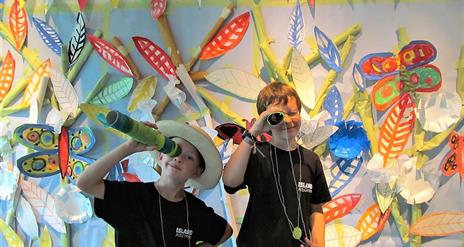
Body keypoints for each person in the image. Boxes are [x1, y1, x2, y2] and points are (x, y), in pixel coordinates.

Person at [77, 120, 233, 247]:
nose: (178, 158)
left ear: (197, 172)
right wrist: (128, 148)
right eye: (174, 151)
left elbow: (225, 231)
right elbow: (85, 183)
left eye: (189, 157)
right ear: (160, 157)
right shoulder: (131, 196)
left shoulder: (195, 210)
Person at [222, 82, 332, 247]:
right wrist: (253, 133)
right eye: (278, 115)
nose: (287, 120)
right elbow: (229, 181)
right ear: (265, 119)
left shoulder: (311, 160)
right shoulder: (255, 153)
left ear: (300, 114)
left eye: (292, 113)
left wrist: (319, 243)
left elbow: (315, 208)